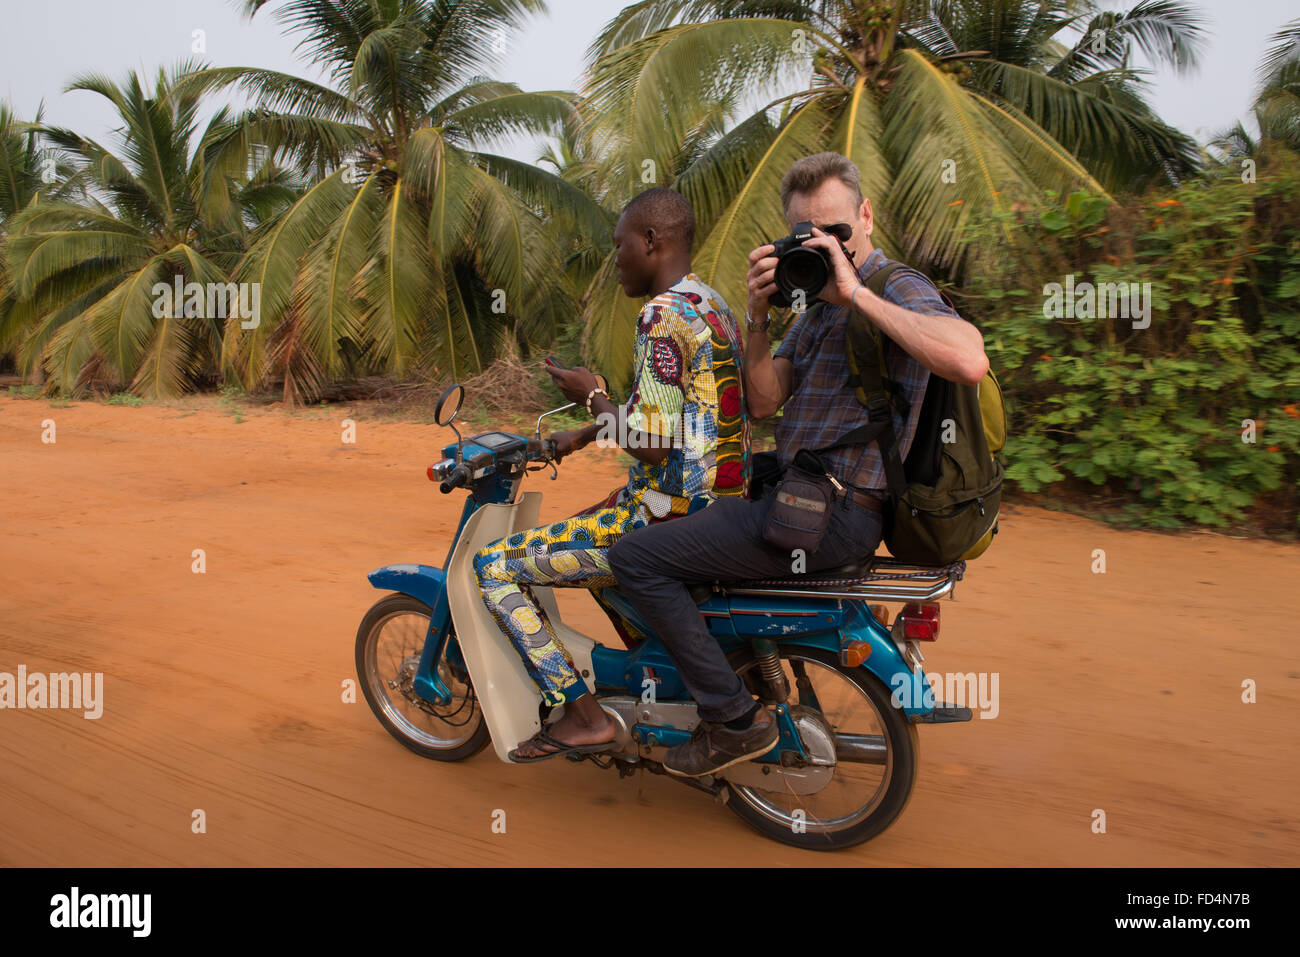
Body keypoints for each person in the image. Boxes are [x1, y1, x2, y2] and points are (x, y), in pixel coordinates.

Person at [608, 152, 989, 778]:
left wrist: (856, 292)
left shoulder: (894, 286)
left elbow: (968, 357)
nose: (825, 248)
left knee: (635, 559)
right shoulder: (814, 311)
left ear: (865, 217)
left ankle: (731, 721)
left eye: (836, 233)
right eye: (807, 237)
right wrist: (759, 315)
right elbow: (762, 397)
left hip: (833, 514)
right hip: (800, 501)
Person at [473, 187, 746, 762]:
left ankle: (584, 715)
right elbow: (679, 415)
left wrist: (593, 394)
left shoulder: (660, 314)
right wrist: (587, 431)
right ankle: (650, 674)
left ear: (651, 241)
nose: (615, 257)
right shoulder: (711, 305)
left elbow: (648, 443)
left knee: (495, 566)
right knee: (584, 527)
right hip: (715, 504)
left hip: (667, 515)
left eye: (620, 244)